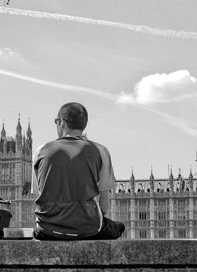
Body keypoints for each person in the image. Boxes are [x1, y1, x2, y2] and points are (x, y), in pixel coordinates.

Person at [31, 102, 126, 240]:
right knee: (118, 227)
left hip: (47, 230)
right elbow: (104, 208)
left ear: (61, 122)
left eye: (56, 122)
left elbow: (40, 198)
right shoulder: (100, 151)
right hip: (88, 229)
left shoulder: (40, 151)